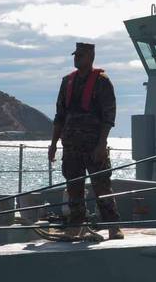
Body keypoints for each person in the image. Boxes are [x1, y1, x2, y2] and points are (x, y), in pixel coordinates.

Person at [48, 42, 122, 240]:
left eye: (80, 55)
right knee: (74, 187)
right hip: (71, 146)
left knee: (102, 186)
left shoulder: (102, 82)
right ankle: (76, 225)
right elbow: (59, 116)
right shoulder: (67, 82)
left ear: (91, 57)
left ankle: (113, 225)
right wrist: (53, 144)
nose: (76, 58)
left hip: (94, 145)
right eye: (75, 55)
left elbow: (108, 117)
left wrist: (101, 144)